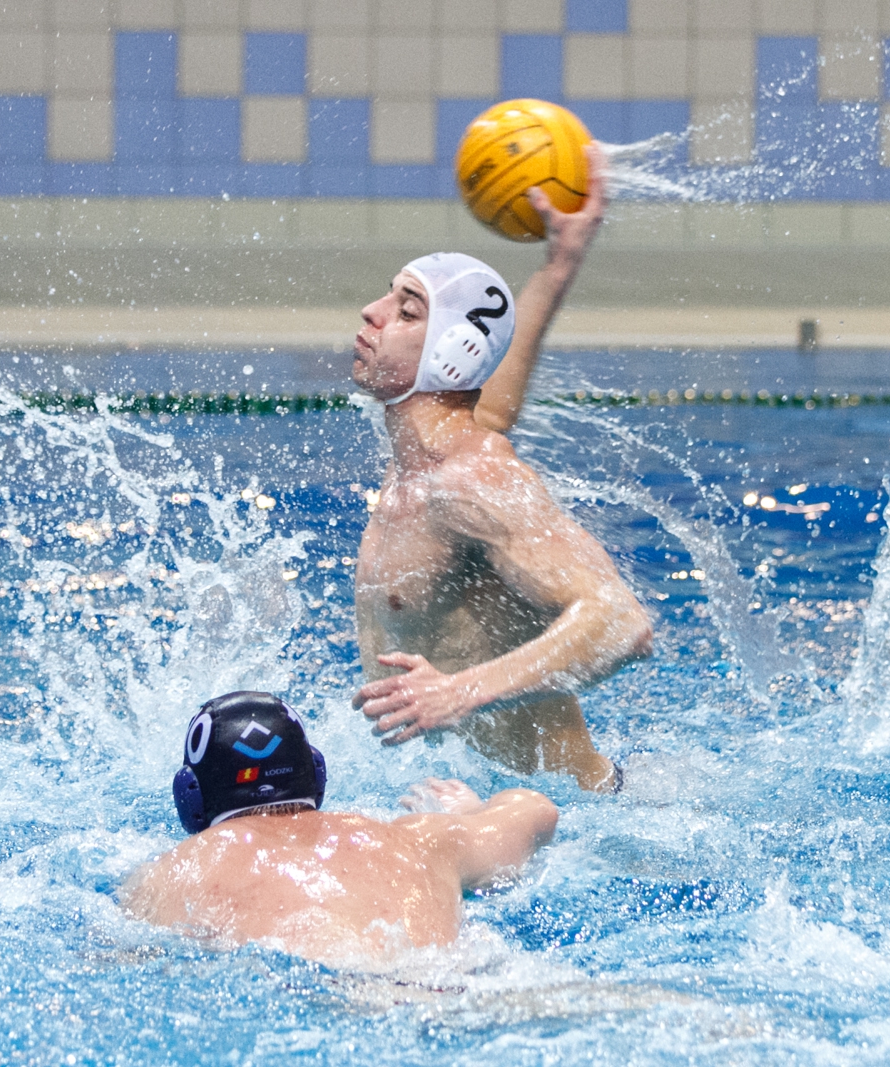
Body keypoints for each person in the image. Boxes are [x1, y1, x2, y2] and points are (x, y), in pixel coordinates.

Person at [349, 146, 655, 792]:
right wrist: (561, 263)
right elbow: (497, 393)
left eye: (407, 310)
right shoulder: (429, 456)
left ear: (450, 359)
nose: (372, 313)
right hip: (481, 802)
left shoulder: (470, 482)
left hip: (569, 819)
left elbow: (622, 622)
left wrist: (457, 694)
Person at [121, 691, 558, 963]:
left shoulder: (172, 874)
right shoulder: (418, 839)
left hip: (326, 1000)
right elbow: (538, 810)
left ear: (192, 799)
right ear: (316, 774)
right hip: (461, 982)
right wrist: (466, 815)